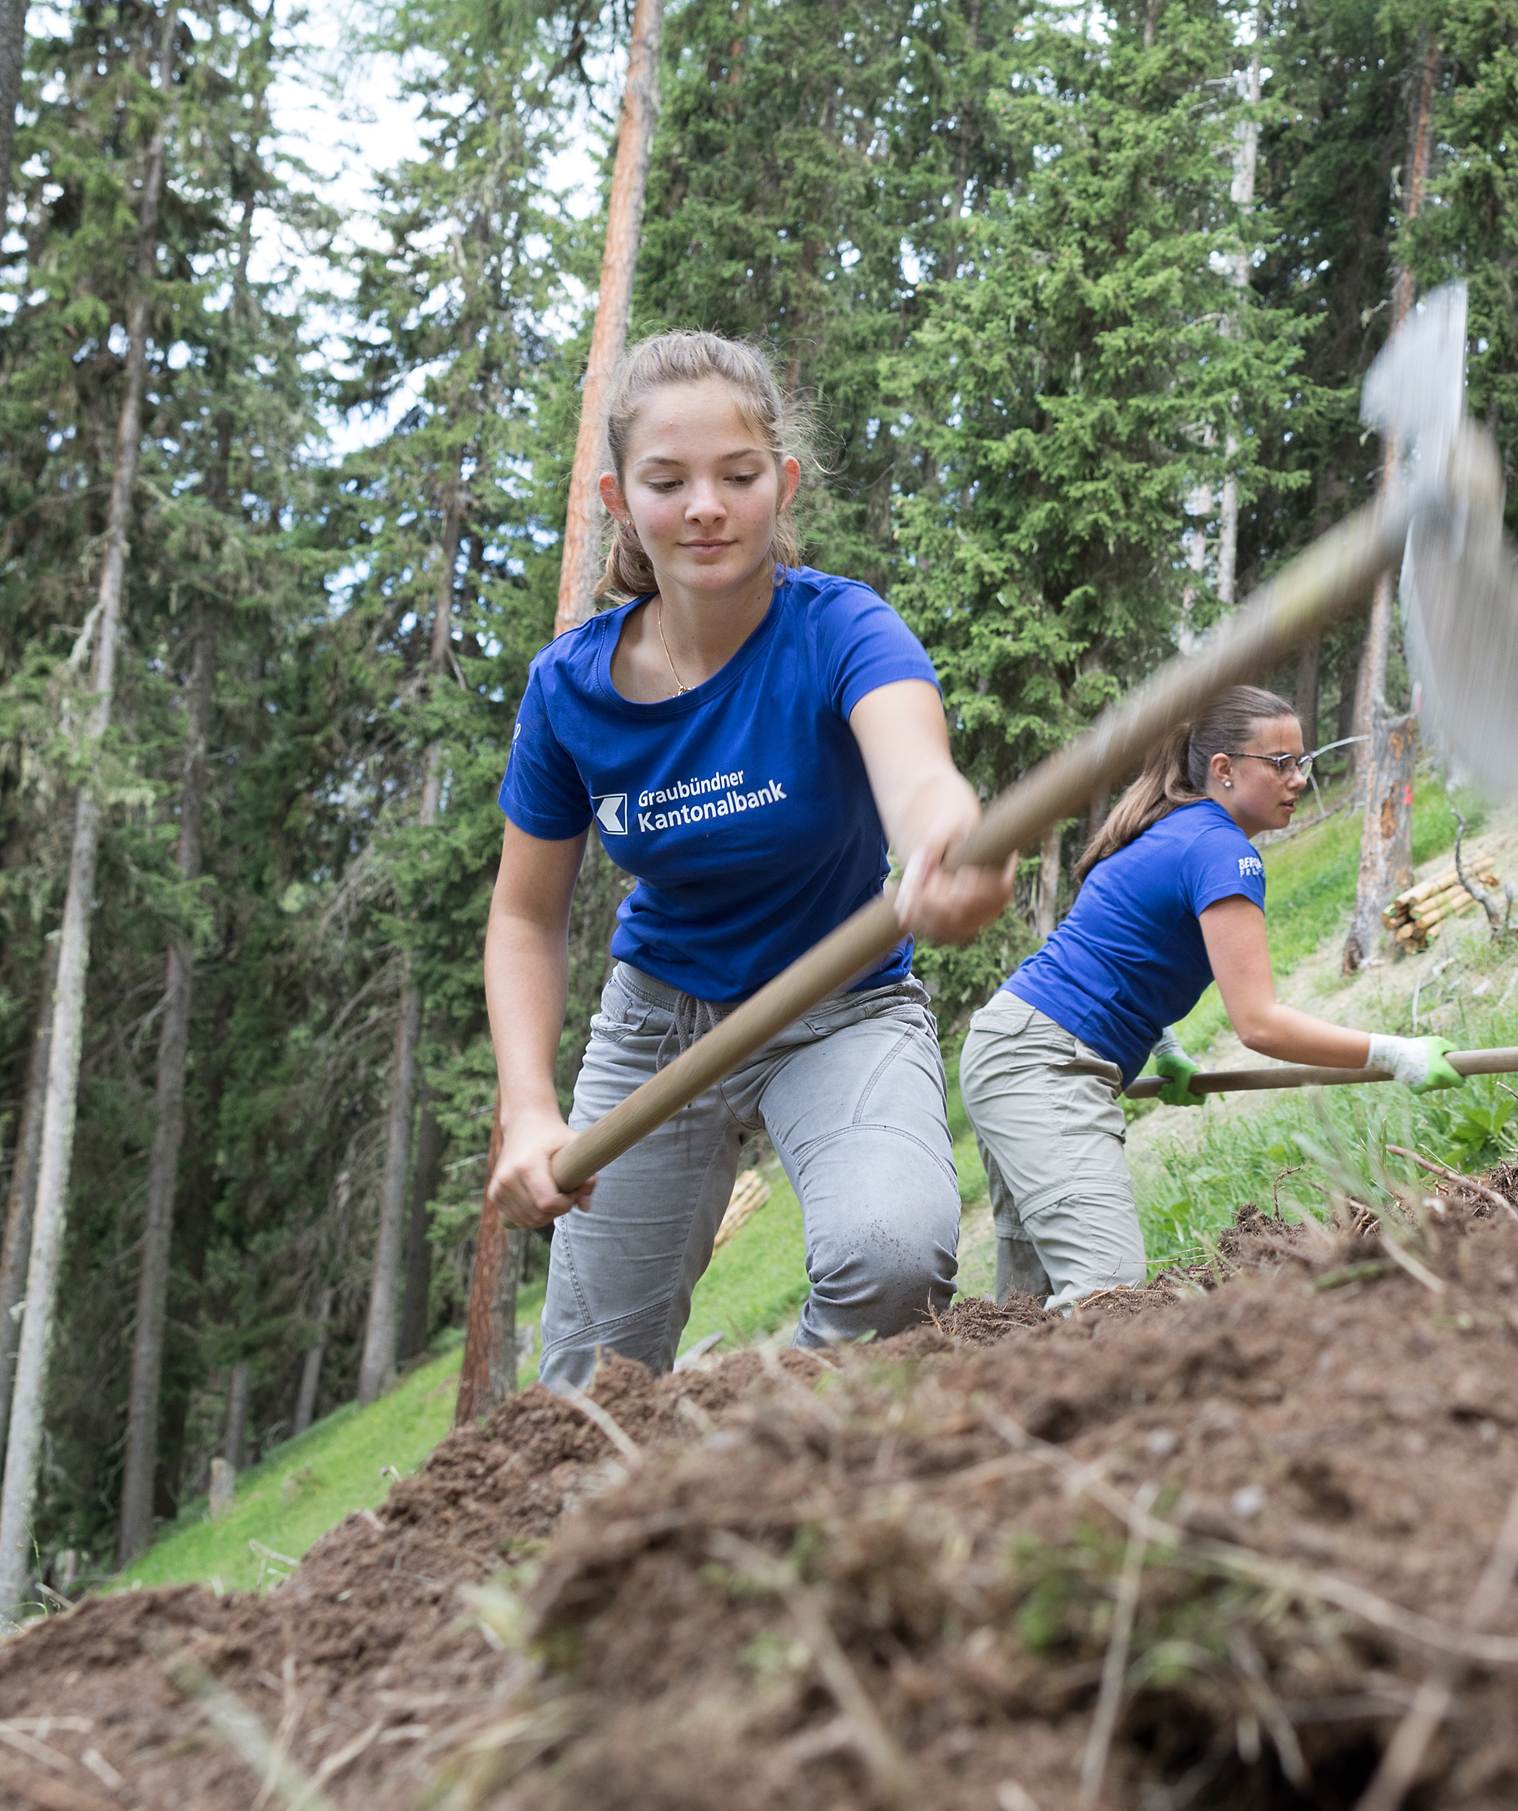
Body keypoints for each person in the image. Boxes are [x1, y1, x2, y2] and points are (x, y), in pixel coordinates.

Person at [484, 331, 1010, 1385]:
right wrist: (529, 1107)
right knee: (587, 1387)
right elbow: (524, 916)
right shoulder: (569, 687)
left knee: (893, 1259)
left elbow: (917, 773)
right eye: (667, 481)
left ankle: (760, 1445)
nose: (706, 508)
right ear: (618, 499)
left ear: (784, 482)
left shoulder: (842, 629)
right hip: (657, 1031)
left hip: (841, 1003)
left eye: (738, 475)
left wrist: (945, 840)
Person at [956, 684, 1465, 1309]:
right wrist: (1395, 1053)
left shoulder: (1176, 830)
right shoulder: (1220, 849)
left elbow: (1123, 948)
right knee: (1107, 1295)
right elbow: (1258, 1024)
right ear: (1223, 769)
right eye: (1280, 763)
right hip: (1045, 1063)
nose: (1298, 779)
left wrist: (1163, 1045)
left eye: (1301, 761)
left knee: (1028, 1301)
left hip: (1013, 1047)